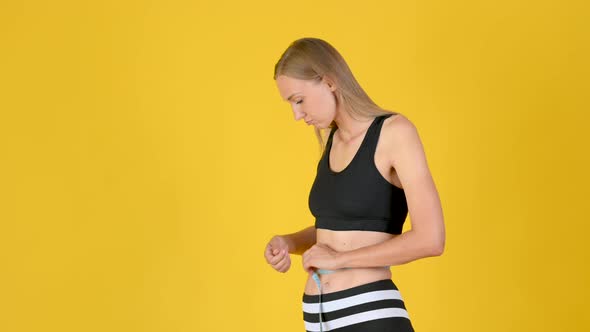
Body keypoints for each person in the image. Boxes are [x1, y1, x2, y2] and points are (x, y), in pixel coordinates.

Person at [264, 37, 445, 332]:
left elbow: (431, 239)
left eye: (299, 100)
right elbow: (343, 228)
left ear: (329, 82)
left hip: (368, 317)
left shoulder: (394, 133)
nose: (297, 115)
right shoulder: (333, 141)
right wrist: (290, 242)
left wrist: (341, 260)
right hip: (320, 320)